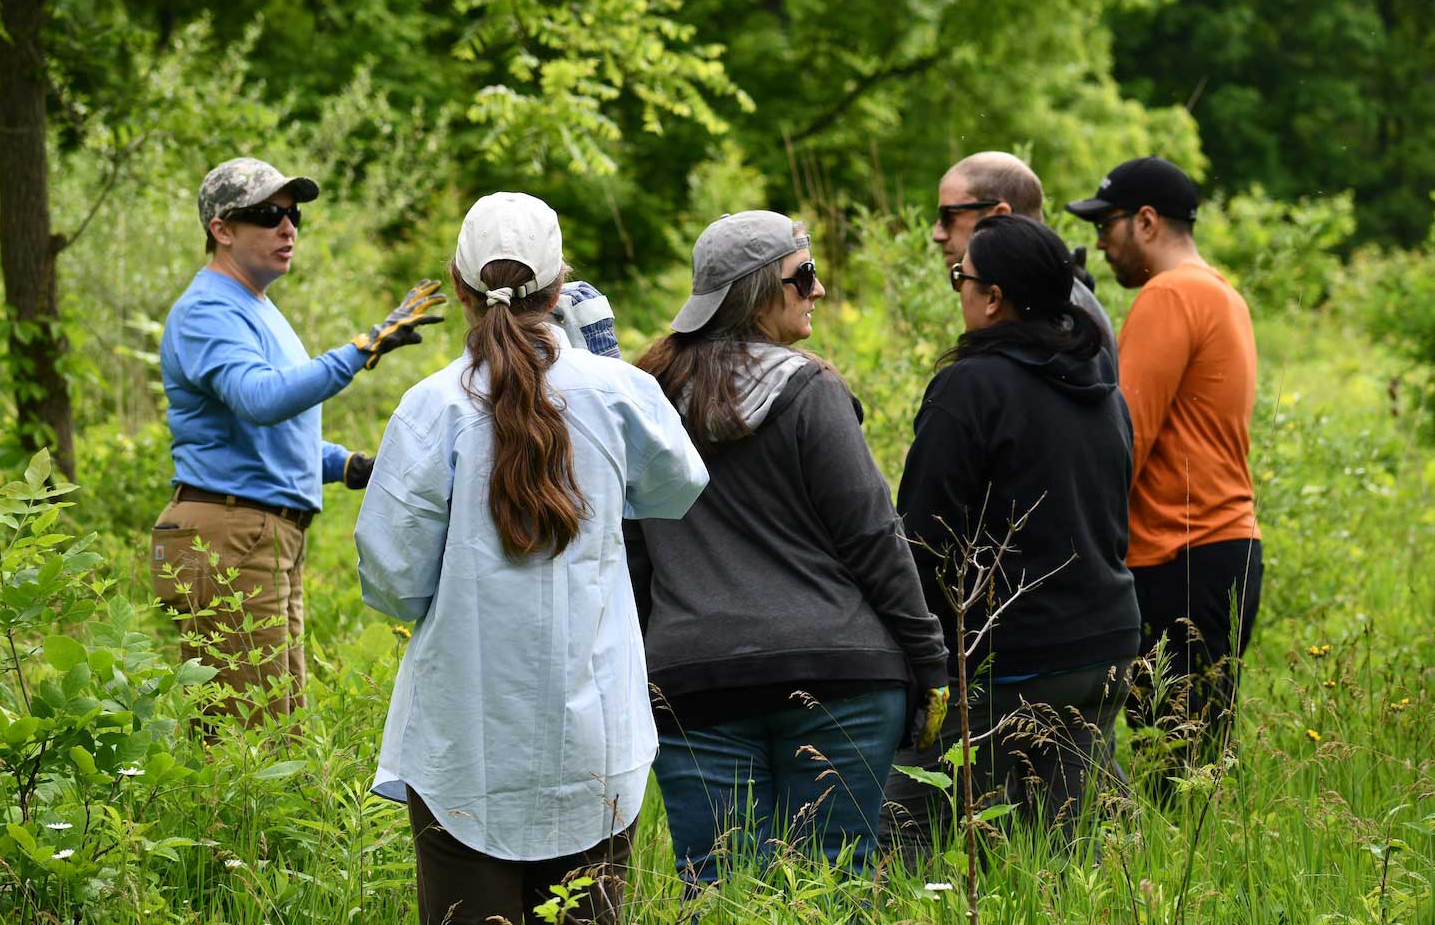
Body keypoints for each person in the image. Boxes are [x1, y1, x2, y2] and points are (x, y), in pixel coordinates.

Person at [356, 192, 708, 925]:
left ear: (457, 285)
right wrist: (601, 375)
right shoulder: (618, 394)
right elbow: (678, 485)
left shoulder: (432, 407)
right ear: (560, 287)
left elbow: (391, 578)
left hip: (465, 738)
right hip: (595, 736)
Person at [626, 211, 950, 890]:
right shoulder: (811, 391)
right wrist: (929, 659)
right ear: (751, 293)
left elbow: (633, 557)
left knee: (717, 888)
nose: (820, 289)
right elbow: (872, 539)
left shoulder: (645, 400)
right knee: (835, 886)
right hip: (841, 677)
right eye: (802, 277)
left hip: (694, 682)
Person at [150, 157, 446, 718]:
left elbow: (262, 436)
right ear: (222, 229)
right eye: (268, 215)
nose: (287, 228)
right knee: (243, 735)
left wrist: (348, 465)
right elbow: (262, 400)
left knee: (279, 727)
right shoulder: (208, 311)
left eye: (293, 215)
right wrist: (365, 347)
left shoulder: (256, 308)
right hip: (231, 534)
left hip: (261, 533)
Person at [881, 214, 1138, 856]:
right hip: (1104, 644)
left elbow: (921, 537)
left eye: (959, 278)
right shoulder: (1104, 386)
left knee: (899, 837)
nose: (958, 289)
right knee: (1063, 858)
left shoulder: (971, 387)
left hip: (1010, 655)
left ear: (993, 297)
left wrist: (916, 653)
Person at [1065, 157, 1262, 778]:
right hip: (1221, 549)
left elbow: (1124, 438)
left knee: (1170, 771)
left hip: (1179, 555)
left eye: (1108, 224)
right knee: (1196, 767)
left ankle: (1181, 876)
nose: (1099, 241)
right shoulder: (1220, 291)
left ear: (1146, 221)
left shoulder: (1170, 293)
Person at [931, 151, 1117, 376]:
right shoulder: (1059, 302)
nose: (937, 233)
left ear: (997, 216)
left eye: (948, 216)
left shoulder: (1051, 314)